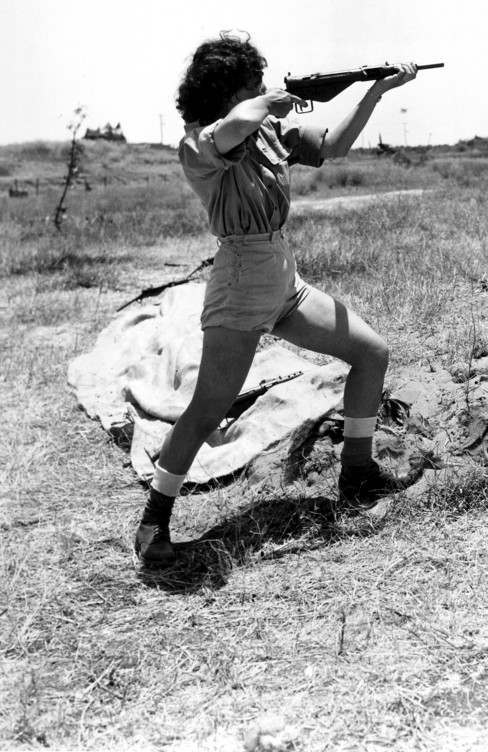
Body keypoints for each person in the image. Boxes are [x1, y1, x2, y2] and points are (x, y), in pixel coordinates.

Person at [134, 31, 419, 567]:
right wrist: (266, 101)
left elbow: (333, 143)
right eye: (253, 85)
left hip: (281, 278)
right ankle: (154, 523)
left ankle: (358, 475)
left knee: (371, 352)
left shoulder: (267, 129)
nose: (264, 91)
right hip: (240, 282)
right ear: (226, 92)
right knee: (208, 409)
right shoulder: (198, 144)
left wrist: (374, 92)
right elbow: (231, 130)